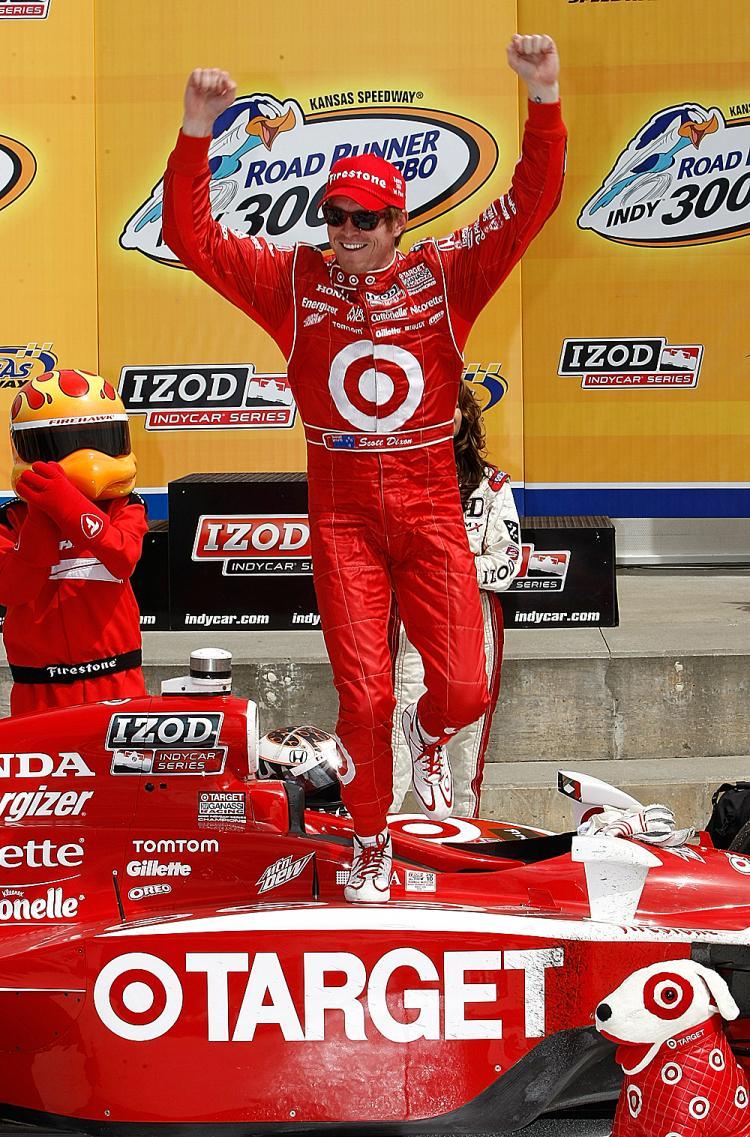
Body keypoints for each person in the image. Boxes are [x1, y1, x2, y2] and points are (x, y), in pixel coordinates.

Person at [162, 33, 566, 903]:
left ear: (398, 222)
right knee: (364, 698)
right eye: (335, 216)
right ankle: (373, 838)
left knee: (461, 688)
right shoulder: (291, 284)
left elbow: (531, 201)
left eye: (365, 219)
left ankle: (431, 740)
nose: (346, 232)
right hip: (342, 514)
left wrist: (545, 101)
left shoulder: (450, 276)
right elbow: (188, 236)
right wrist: (197, 133)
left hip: (427, 508)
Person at [391, 381, 521, 818]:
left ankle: (463, 838)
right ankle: (383, 833)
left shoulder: (493, 485)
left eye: (450, 409)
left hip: (472, 613)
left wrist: (457, 570)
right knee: (398, 727)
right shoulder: (397, 479)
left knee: (467, 731)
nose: (441, 420)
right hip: (411, 617)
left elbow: (510, 562)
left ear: (466, 416)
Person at [0, 369, 148, 715]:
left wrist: (67, 505)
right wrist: (42, 512)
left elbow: (122, 557)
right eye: (61, 445)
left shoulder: (125, 506)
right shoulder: (11, 519)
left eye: (97, 438)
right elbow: (12, 590)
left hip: (118, 679)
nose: (83, 455)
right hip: (40, 688)